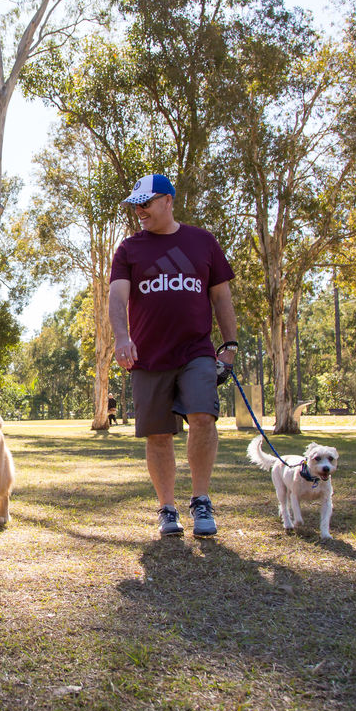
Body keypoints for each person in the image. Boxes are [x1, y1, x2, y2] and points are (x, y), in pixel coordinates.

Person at [109, 173, 237, 538]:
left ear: (167, 200)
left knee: (203, 417)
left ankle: (201, 500)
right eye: (136, 205)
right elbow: (117, 299)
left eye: (146, 203)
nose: (140, 211)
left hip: (196, 349)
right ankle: (168, 508)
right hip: (148, 356)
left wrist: (229, 345)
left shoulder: (202, 242)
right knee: (159, 435)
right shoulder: (129, 249)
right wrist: (122, 337)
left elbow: (222, 297)